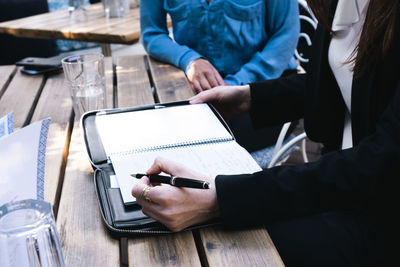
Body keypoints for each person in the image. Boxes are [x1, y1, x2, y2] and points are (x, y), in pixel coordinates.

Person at [132, 0, 400, 265]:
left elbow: (381, 162)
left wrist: (222, 199)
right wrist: (249, 98)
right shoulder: (340, 6)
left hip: (378, 216)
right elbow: (344, 83)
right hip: (341, 189)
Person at [140, 0, 300, 168]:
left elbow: (286, 34)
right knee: (153, 134)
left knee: (192, 144)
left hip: (267, 88)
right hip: (197, 91)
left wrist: (237, 84)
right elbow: (152, 33)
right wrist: (189, 60)